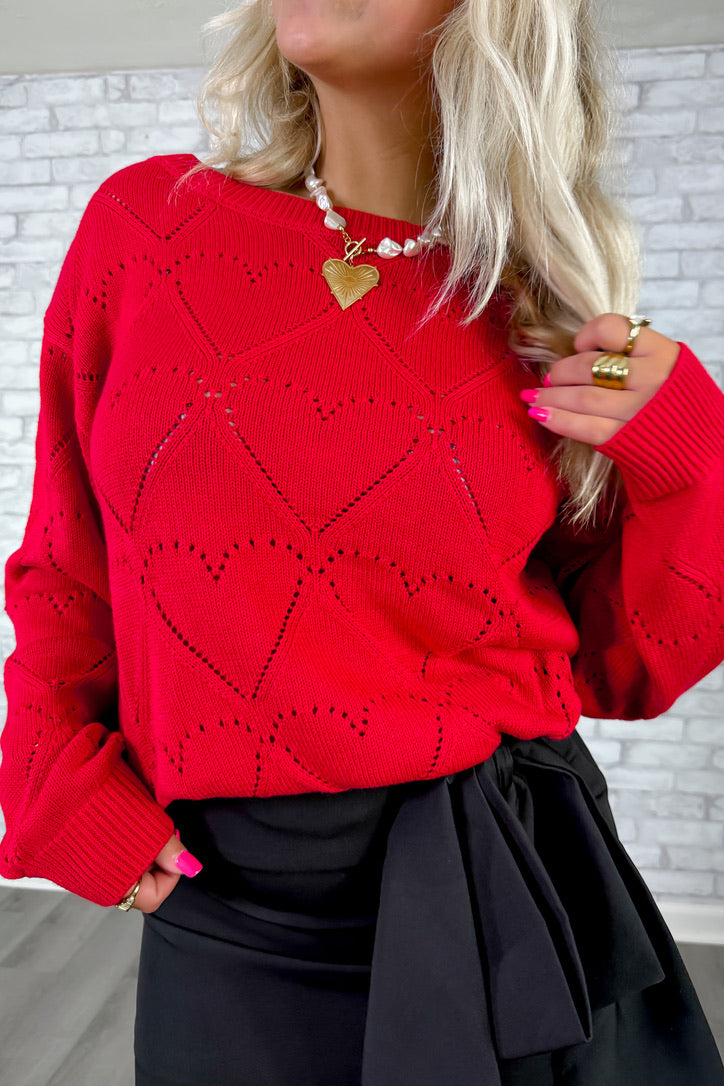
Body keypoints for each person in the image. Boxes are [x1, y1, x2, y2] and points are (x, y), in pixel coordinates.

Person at [1, 0, 723, 1083]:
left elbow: (624, 663)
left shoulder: (541, 308)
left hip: (494, 875)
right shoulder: (146, 226)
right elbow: (68, 557)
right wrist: (50, 768)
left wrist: (695, 452)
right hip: (224, 892)